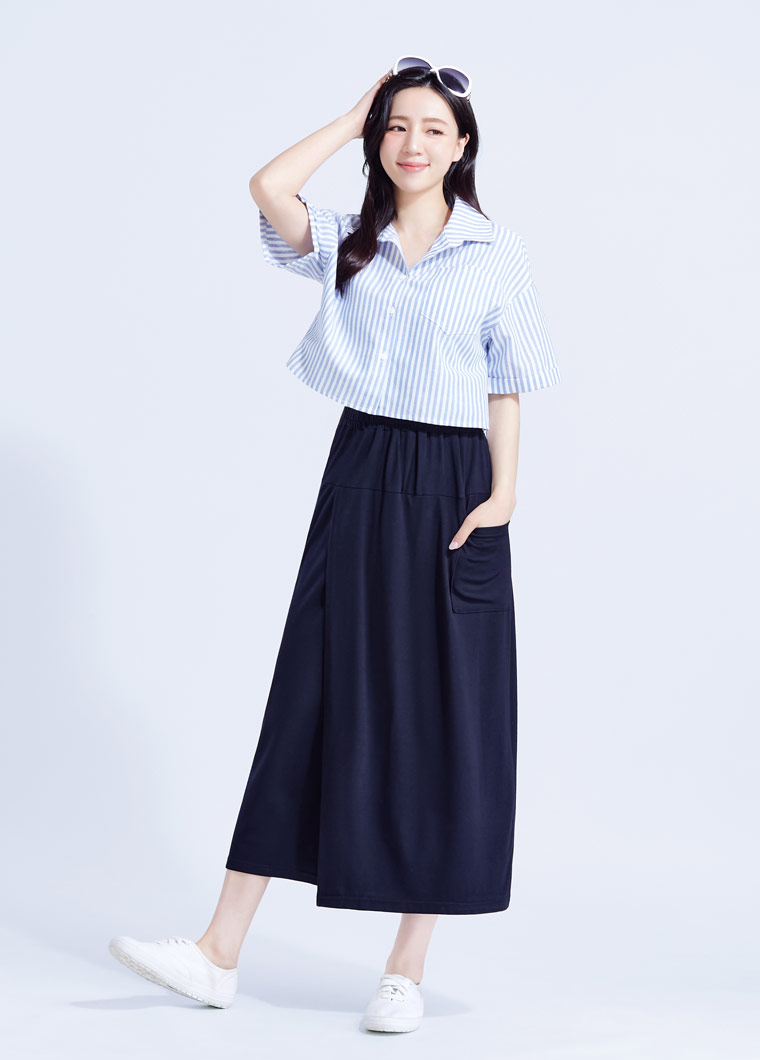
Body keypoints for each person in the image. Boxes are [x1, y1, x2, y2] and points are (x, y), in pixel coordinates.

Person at [109, 57, 561, 1035]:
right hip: (359, 466)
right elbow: (268, 187)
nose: (412, 143)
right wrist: (350, 114)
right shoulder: (350, 242)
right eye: (397, 126)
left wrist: (504, 494)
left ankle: (405, 968)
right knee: (310, 693)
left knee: (444, 712)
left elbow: (508, 380)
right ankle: (218, 952)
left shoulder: (496, 251)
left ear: (463, 145)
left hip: (455, 482)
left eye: (432, 129)